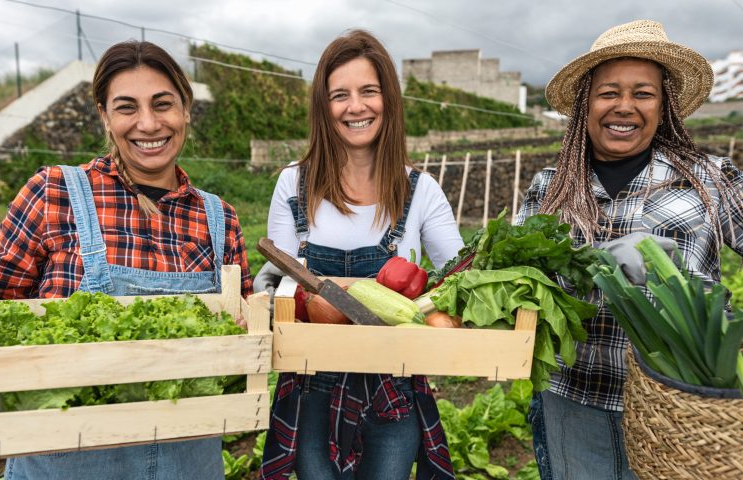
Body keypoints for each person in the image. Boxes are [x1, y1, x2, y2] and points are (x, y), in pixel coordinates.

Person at [0, 40, 253, 479]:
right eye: (127, 107)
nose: (148, 123)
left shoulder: (220, 219)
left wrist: (244, 331)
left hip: (189, 462)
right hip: (65, 461)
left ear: (185, 111)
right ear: (104, 116)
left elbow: (242, 345)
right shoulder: (54, 193)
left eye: (163, 104)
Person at [515, 19, 743, 479]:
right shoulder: (549, 188)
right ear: (586, 105)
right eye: (608, 93)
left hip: (679, 413)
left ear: (664, 106)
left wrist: (669, 272)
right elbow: (518, 287)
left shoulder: (710, 179)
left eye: (642, 93)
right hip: (573, 402)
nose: (625, 107)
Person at [255, 30, 463, 480]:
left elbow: (459, 274)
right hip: (312, 383)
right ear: (323, 107)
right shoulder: (293, 184)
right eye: (339, 95)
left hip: (394, 386)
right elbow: (280, 285)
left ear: (388, 99)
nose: (356, 107)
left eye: (369, 91)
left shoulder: (420, 191)